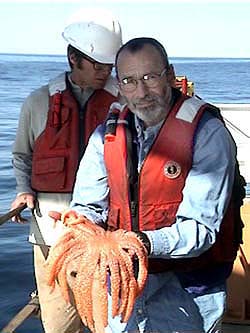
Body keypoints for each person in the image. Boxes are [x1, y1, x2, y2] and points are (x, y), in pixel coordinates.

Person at [70, 37, 245, 333]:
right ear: (119, 84)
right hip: (123, 281)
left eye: (151, 77)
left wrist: (141, 243)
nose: (142, 92)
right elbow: (86, 204)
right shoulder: (106, 135)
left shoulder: (208, 135)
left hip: (189, 288)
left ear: (171, 75)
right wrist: (83, 229)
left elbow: (201, 229)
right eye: (129, 80)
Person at [10, 8, 122, 333]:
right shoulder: (38, 103)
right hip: (51, 228)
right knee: (58, 320)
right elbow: (22, 155)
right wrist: (23, 189)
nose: (104, 72)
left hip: (107, 229)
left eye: (109, 65)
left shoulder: (124, 104)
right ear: (74, 57)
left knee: (110, 318)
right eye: (97, 64)